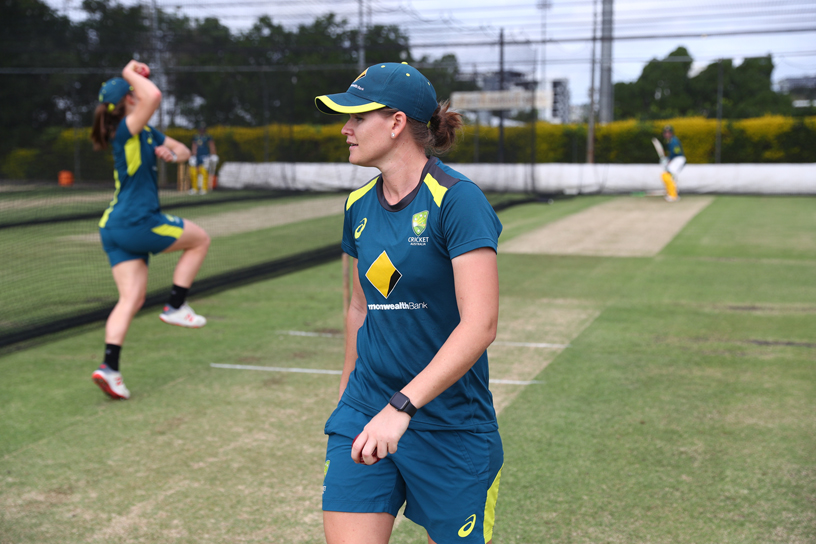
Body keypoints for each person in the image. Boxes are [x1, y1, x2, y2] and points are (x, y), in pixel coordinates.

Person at [315, 62, 504, 544]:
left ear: (396, 123)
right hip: (366, 409)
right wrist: (347, 401)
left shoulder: (458, 201)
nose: (346, 128)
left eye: (357, 117)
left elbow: (479, 325)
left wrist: (402, 406)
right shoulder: (357, 206)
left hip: (449, 424)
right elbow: (360, 309)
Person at [90, 60, 211, 400]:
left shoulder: (143, 132)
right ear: (129, 98)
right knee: (200, 239)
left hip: (113, 227)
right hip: (136, 221)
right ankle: (176, 306)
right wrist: (130, 71)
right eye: (133, 92)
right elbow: (154, 95)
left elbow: (185, 151)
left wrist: (170, 154)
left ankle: (109, 369)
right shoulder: (127, 129)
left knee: (131, 298)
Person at [189, 124, 218, 195]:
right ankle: (195, 189)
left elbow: (211, 145)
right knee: (194, 172)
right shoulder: (196, 137)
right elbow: (194, 146)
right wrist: (193, 155)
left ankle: (204, 189)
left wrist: (213, 154)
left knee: (204, 172)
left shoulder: (208, 137)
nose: (202, 130)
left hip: (205, 156)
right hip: (197, 156)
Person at [661, 124, 685, 202]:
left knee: (667, 174)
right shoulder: (670, 141)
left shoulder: (673, 141)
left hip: (678, 159)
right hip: (676, 159)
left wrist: (669, 159)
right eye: (665, 133)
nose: (667, 134)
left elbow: (676, 152)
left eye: (668, 132)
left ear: (671, 133)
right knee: (671, 176)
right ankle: (673, 194)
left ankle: (673, 195)